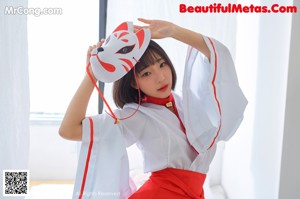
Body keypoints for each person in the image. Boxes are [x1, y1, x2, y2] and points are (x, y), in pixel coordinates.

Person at [59, 18, 247, 199]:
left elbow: (216, 56)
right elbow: (69, 129)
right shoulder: (135, 115)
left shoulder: (185, 102)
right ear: (133, 82)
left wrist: (173, 31)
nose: (161, 77)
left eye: (162, 64)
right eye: (147, 73)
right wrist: (92, 74)